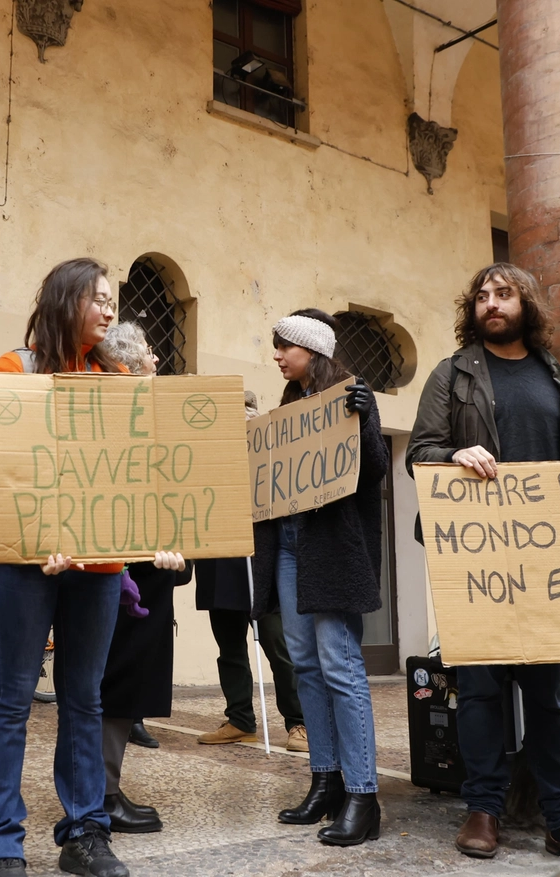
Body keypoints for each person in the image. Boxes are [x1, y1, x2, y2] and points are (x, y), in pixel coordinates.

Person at [406, 262, 560, 862]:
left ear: (528, 305)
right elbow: (419, 450)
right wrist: (455, 452)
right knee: (479, 693)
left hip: (551, 565)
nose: (491, 304)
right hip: (478, 563)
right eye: (482, 297)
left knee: (551, 696)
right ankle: (483, 809)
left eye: (504, 294)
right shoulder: (452, 375)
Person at [0, 257, 130, 877]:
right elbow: (2, 470)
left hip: (101, 562)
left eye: (112, 300)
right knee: (12, 694)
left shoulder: (116, 379)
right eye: (98, 298)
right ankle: (1, 843)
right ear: (67, 302)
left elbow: (132, 478)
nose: (109, 309)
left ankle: (85, 831)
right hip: (22, 560)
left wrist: (161, 539)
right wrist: (40, 535)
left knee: (83, 698)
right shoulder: (17, 368)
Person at [249, 308, 389, 848]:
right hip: (288, 545)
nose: (278, 356)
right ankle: (325, 780)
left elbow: (373, 470)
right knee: (304, 663)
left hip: (330, 549)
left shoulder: (353, 394)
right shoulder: (288, 407)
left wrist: (364, 419)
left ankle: (362, 795)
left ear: (314, 350)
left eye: (286, 346)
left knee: (340, 664)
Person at [94, 322, 192, 834]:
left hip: (149, 568)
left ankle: (101, 790)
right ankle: (102, 795)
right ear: (129, 368)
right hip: (127, 572)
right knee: (116, 684)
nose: (158, 360)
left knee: (118, 687)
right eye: (151, 354)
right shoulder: (125, 421)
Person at [195, 391, 307, 753]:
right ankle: (240, 719)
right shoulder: (206, 460)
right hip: (218, 560)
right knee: (229, 647)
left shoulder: (271, 459)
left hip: (262, 562)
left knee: (278, 646)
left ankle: (299, 723)